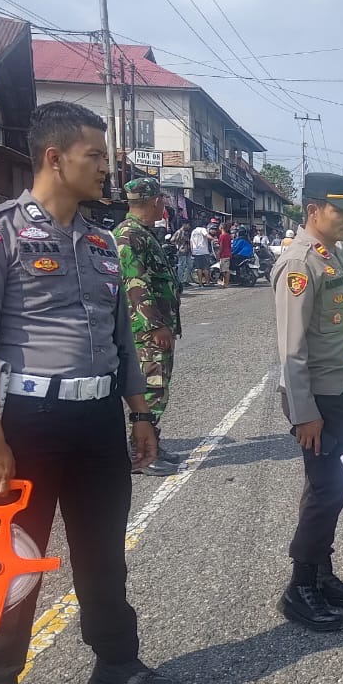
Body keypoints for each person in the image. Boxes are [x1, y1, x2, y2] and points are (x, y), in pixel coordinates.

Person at [0, 101, 176, 684]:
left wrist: (140, 413)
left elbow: (121, 340)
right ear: (54, 158)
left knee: (104, 553)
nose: (106, 170)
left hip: (97, 419)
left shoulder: (102, 242)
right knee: (9, 564)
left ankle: (115, 661)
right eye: (95, 158)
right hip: (25, 426)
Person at [273, 173, 343, 634]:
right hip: (321, 400)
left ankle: (322, 574)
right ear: (314, 211)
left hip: (341, 389)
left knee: (334, 487)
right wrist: (304, 413)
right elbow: (291, 350)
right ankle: (300, 587)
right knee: (324, 491)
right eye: (341, 211)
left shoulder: (328, 255)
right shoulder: (300, 265)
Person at [113, 177, 182, 477]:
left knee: (158, 385)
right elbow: (135, 284)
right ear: (155, 201)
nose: (164, 206)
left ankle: (151, 442)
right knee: (151, 388)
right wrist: (155, 325)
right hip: (146, 328)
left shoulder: (143, 232)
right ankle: (141, 453)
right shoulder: (129, 235)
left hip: (154, 324)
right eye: (163, 201)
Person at [171, 218, 194, 287]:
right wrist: (178, 245)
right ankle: (180, 281)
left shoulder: (187, 232)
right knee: (181, 266)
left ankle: (185, 280)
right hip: (182, 251)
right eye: (188, 225)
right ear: (184, 225)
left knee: (189, 266)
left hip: (188, 251)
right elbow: (172, 240)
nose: (189, 226)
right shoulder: (179, 232)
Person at [189, 218, 212, 285]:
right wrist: (213, 239)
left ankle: (200, 283)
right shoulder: (202, 229)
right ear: (203, 225)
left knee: (199, 268)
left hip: (196, 252)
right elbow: (206, 235)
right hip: (203, 251)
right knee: (206, 268)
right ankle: (207, 283)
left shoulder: (193, 231)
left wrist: (192, 251)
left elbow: (191, 242)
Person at [217, 223, 231, 288]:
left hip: (224, 254)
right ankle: (224, 282)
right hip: (228, 253)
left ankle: (226, 283)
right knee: (225, 270)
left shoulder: (222, 236)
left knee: (225, 270)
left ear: (221, 228)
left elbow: (221, 246)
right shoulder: (228, 235)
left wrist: (218, 253)